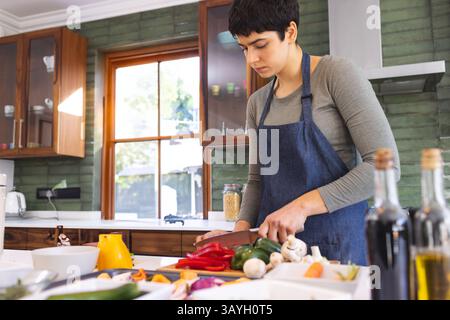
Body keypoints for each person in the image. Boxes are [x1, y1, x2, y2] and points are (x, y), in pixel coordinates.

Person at [197, 0, 400, 265]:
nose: (251, 58)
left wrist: (300, 207)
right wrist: (237, 239)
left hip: (337, 250)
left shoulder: (335, 74)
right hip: (274, 256)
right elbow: (257, 181)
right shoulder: (257, 103)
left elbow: (385, 167)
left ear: (290, 32)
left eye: (260, 45)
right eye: (244, 48)